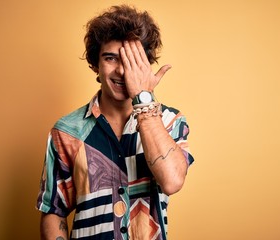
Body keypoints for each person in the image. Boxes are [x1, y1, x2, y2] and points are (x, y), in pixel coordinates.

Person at [36, 5, 194, 240]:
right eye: (111, 58)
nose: (122, 71)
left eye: (132, 61)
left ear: (146, 65)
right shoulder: (67, 132)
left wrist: (143, 97)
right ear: (95, 64)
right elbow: (53, 211)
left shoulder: (171, 121)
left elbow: (171, 181)